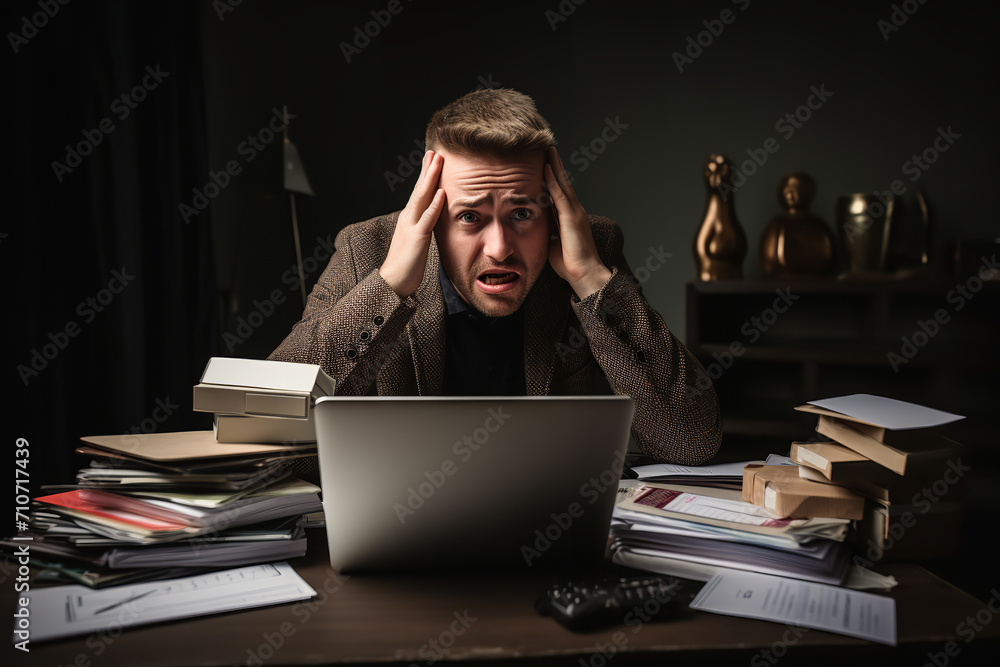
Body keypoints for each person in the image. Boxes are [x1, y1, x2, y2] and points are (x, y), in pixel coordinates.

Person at [268, 88, 721, 464]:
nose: (500, 247)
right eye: (470, 217)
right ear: (432, 214)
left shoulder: (590, 250)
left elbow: (693, 440)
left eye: (521, 212)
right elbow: (269, 424)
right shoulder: (366, 251)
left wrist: (592, 281)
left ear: (554, 209)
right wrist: (389, 287)